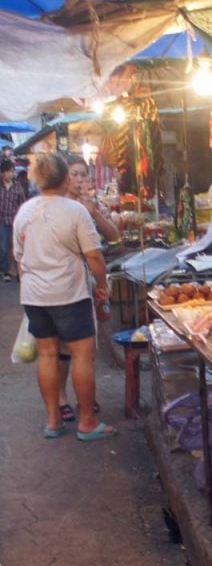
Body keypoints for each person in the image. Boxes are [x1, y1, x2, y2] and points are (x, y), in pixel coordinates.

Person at [13, 154, 115, 441]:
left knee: (47, 355)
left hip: (34, 296)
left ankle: (54, 421)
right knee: (82, 356)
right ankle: (86, 422)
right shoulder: (74, 211)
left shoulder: (25, 211)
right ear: (65, 178)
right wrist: (102, 284)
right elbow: (94, 255)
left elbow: (18, 257)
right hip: (69, 293)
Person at [0, 158, 26, 282]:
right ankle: (6, 271)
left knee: (16, 246)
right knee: (4, 246)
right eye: (8, 171)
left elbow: (22, 201)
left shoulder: (17, 185)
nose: (11, 173)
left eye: (12, 171)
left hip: (15, 220)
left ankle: (18, 271)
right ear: (2, 173)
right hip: (1, 220)